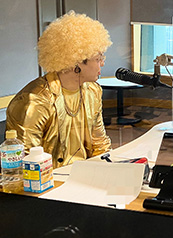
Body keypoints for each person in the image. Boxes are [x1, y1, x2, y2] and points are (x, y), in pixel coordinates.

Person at [6, 11, 112, 168]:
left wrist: (110, 170)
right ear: (76, 62)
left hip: (86, 174)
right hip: (48, 179)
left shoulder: (93, 91)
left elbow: (100, 145)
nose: (102, 63)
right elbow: (26, 163)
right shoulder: (35, 101)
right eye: (98, 59)